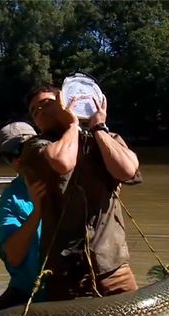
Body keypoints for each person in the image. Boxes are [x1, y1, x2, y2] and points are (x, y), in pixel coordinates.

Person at [18, 83, 142, 302]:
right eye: (34, 111)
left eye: (47, 103)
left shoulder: (106, 138)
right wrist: (73, 125)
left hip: (113, 268)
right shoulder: (36, 147)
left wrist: (99, 127)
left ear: (65, 101)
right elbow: (62, 162)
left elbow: (127, 170)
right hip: (64, 274)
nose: (41, 112)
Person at [0, 121, 47, 316]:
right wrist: (37, 211)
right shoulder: (10, 198)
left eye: (19, 149)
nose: (15, 160)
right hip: (27, 290)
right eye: (7, 156)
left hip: (69, 289)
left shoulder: (67, 176)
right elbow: (13, 255)